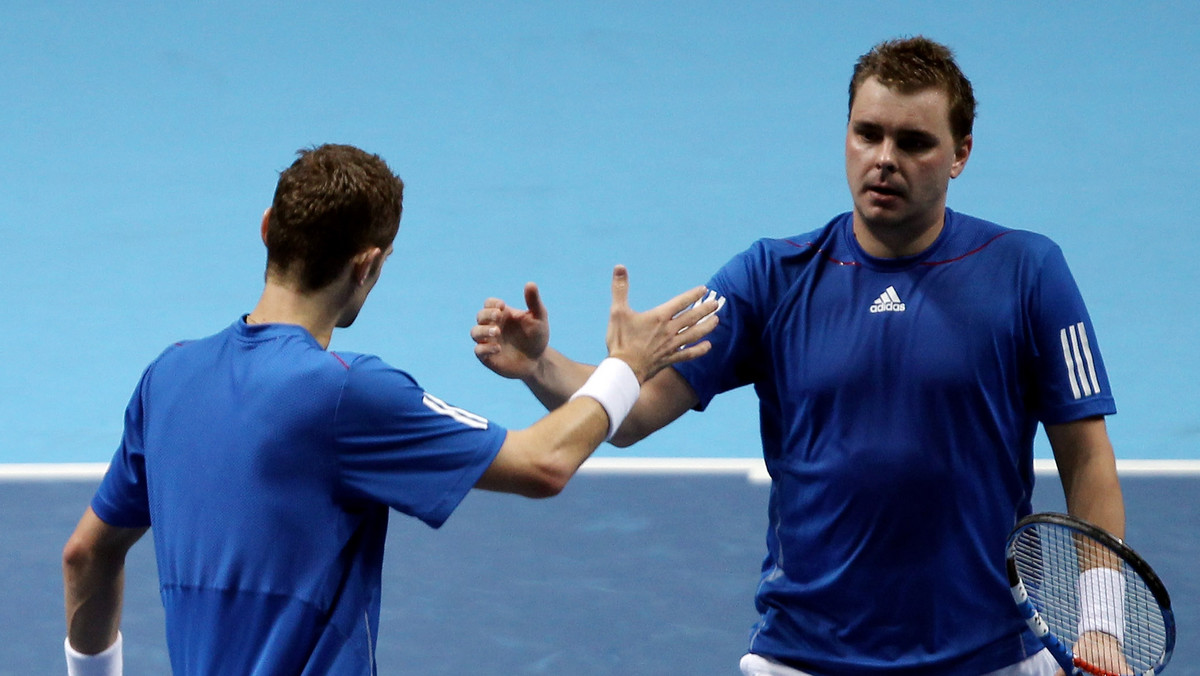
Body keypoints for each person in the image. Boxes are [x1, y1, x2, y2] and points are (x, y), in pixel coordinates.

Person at [470, 37, 1127, 675]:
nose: (884, 158)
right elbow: (635, 412)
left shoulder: (1028, 273)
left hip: (991, 656)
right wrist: (541, 366)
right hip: (805, 656)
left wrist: (1102, 625)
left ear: (960, 154)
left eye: (914, 142)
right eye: (867, 133)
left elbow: (1086, 455)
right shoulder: (769, 277)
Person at [61, 143, 720, 675]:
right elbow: (544, 462)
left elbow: (85, 556)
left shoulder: (167, 376)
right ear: (368, 265)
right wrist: (627, 367)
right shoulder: (348, 393)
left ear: (267, 229)